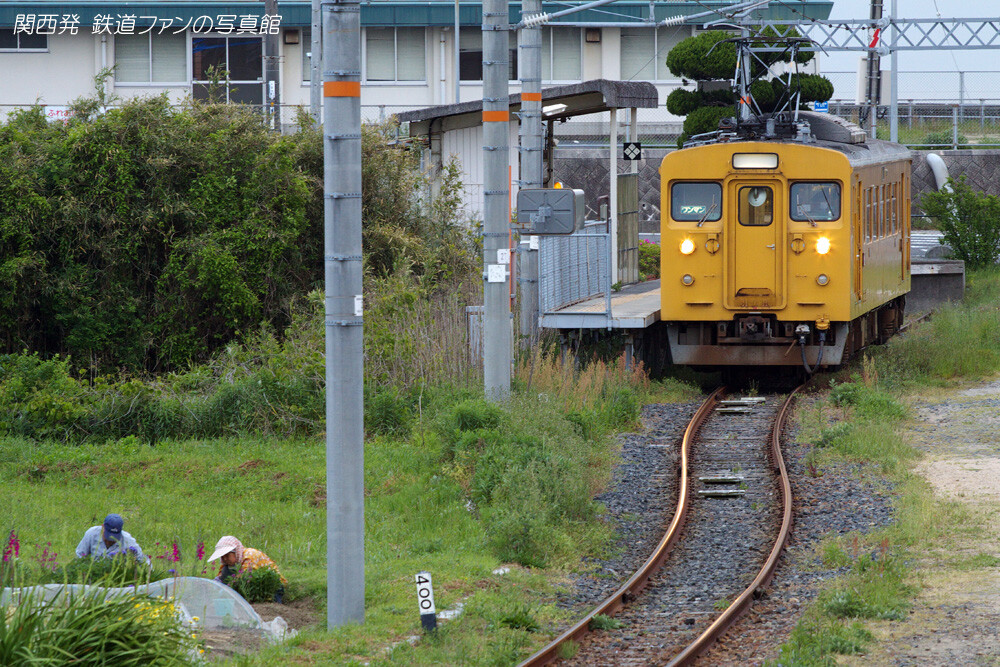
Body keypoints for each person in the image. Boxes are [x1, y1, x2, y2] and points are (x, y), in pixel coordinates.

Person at [208, 535, 287, 602]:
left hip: (272, 585)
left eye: (227, 555)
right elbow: (220, 577)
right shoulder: (228, 563)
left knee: (272, 599)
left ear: (236, 552)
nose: (224, 559)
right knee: (226, 571)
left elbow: (244, 578)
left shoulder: (249, 555)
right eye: (222, 556)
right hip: (254, 585)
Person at [75, 513, 148, 562]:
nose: (109, 541)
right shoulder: (91, 533)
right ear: (103, 527)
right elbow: (79, 556)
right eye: (108, 537)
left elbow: (143, 560)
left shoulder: (128, 540)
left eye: (114, 538)